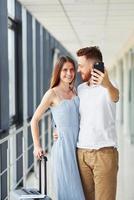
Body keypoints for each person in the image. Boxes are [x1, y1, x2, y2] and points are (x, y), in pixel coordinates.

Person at [54, 46, 119, 200]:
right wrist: (58, 129)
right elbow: (70, 113)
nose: (78, 70)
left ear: (92, 66)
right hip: (82, 154)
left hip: (104, 154)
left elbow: (116, 96)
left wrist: (107, 84)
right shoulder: (80, 89)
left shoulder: (110, 86)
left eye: (81, 66)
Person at [30, 56, 85, 200]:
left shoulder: (76, 92)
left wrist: (56, 127)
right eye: (65, 70)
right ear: (58, 72)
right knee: (71, 194)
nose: (69, 73)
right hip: (63, 152)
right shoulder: (52, 93)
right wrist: (37, 146)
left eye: (72, 69)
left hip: (80, 150)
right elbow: (34, 120)